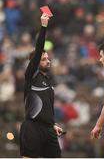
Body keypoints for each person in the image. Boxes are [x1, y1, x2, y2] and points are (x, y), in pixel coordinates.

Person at [20, 13, 63, 158]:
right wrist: (44, 26)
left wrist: (53, 124)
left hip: (49, 129)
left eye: (48, 58)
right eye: (44, 59)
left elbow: (47, 108)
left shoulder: (49, 82)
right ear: (36, 62)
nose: (48, 61)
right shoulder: (31, 75)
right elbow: (38, 50)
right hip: (32, 127)